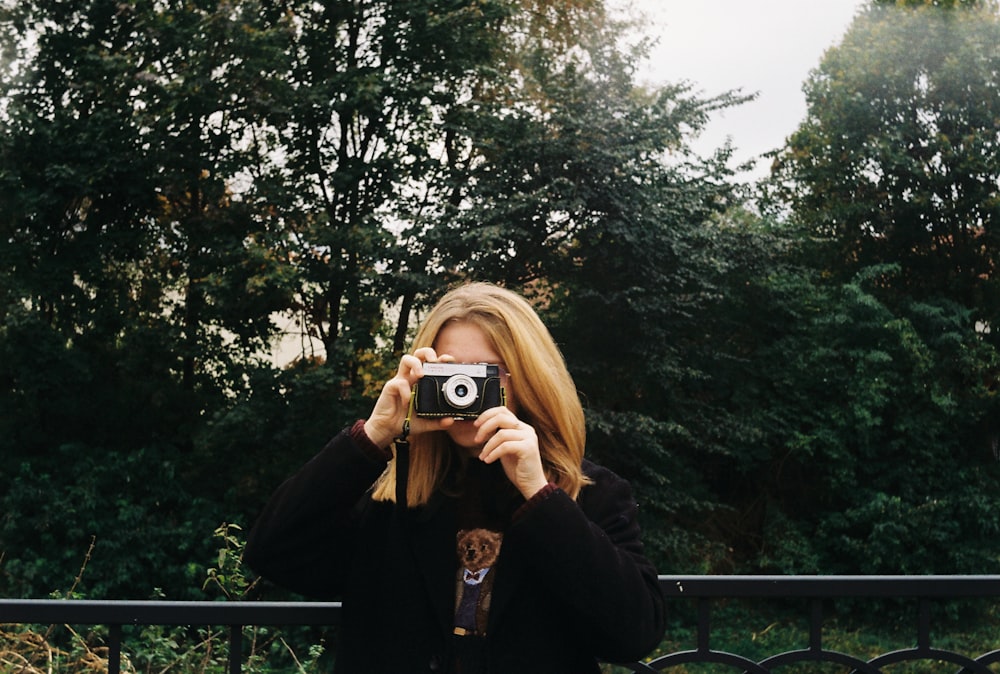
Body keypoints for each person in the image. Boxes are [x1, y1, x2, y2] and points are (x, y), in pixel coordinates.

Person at [244, 282, 666, 673]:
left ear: (530, 380)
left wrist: (540, 496)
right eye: (449, 372)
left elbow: (634, 634)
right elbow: (272, 553)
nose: (464, 388)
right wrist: (373, 437)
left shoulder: (589, 494)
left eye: (487, 372)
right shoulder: (392, 495)